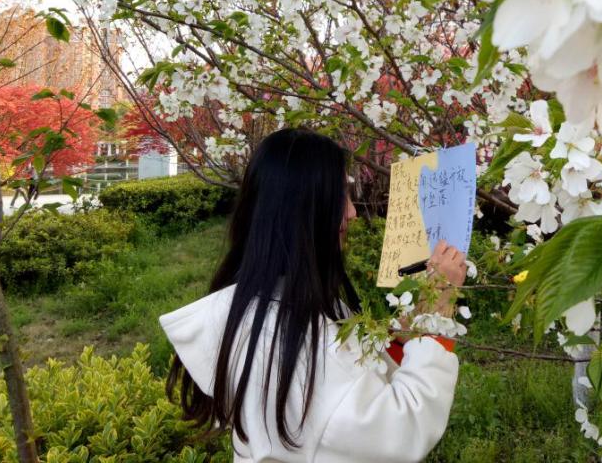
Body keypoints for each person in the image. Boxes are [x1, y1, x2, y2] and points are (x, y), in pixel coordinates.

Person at [159, 128, 467, 462]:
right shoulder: (302, 345)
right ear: (305, 211)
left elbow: (354, 387)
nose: (351, 213)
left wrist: (406, 337)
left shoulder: (255, 308)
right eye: (341, 197)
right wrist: (434, 319)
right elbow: (401, 430)